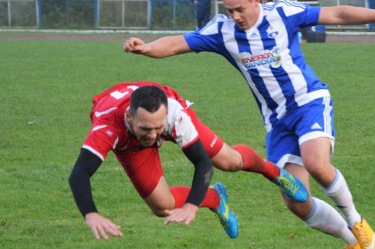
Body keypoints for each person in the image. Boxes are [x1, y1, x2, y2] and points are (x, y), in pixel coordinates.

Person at [123, 0, 375, 249]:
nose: (235, 17)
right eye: (229, 11)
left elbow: (337, 14)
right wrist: (146, 48)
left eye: (240, 9)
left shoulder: (282, 14)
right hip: (277, 122)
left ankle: (356, 221)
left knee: (317, 164)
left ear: (257, 1)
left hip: (309, 102)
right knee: (297, 202)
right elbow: (177, 44)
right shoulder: (223, 31)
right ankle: (351, 241)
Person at [69, 81, 308, 240]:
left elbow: (202, 163)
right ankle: (215, 198)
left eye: (157, 129)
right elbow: (79, 173)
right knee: (162, 208)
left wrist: (191, 205)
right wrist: (91, 214)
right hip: (129, 143)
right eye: (145, 129)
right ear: (130, 118)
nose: (152, 136)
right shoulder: (108, 126)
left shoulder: (174, 114)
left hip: (159, 117)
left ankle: (275, 173)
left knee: (229, 162)